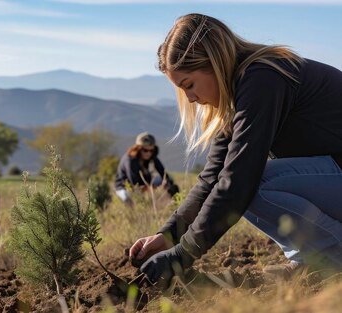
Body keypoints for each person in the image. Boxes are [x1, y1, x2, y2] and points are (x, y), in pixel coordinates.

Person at [127, 13, 342, 286]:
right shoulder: (243, 90)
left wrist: (181, 256)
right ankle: (314, 259)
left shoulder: (264, 78)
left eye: (189, 85)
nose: (190, 98)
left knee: (255, 183)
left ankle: (331, 257)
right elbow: (213, 178)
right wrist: (168, 236)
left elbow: (238, 181)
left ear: (213, 62)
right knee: (245, 181)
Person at [114, 132, 179, 206]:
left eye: (151, 150)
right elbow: (134, 184)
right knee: (127, 199)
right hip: (126, 187)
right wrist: (152, 188)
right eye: (145, 150)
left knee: (170, 181)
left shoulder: (151, 157)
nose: (148, 153)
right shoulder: (129, 160)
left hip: (145, 184)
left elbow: (163, 173)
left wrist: (166, 183)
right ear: (138, 149)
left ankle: (175, 204)